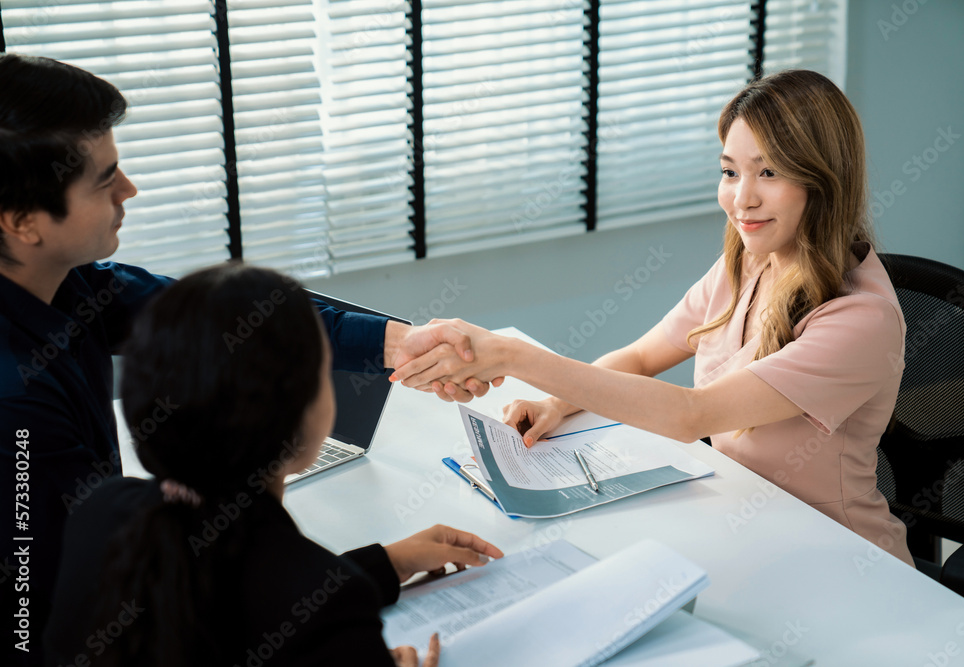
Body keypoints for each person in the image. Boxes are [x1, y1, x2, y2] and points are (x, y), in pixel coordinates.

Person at [0, 52, 493, 664]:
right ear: (23, 221)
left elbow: (239, 316)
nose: (130, 189)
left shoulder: (73, 285)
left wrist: (398, 343)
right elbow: (89, 622)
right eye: (105, 180)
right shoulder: (17, 410)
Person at [391, 69, 915, 567]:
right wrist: (557, 403)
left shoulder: (861, 321)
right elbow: (642, 357)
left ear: (823, 180)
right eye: (729, 171)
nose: (741, 198)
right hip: (746, 519)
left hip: (839, 557)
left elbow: (692, 415)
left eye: (769, 171)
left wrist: (509, 355)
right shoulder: (752, 262)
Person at [43, 263, 502, 666]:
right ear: (302, 423)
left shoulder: (99, 513)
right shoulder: (328, 609)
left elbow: (226, 608)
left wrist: (381, 565)